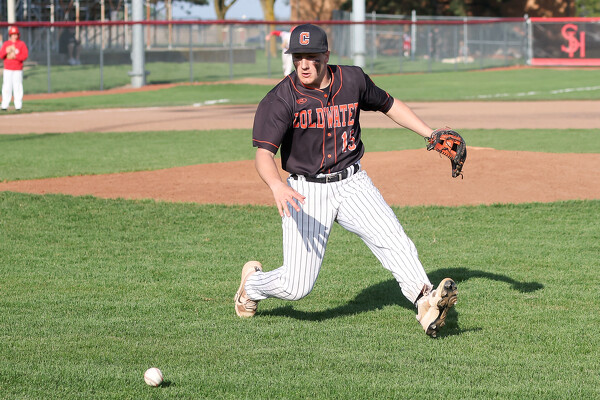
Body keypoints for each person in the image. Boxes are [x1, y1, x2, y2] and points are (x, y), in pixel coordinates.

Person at [235, 24, 458, 338]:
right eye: (298, 57)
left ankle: (425, 303)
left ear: (326, 55)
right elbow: (263, 155)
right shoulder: (280, 99)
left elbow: (389, 105)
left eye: (312, 57)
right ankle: (253, 285)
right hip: (305, 191)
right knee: (297, 285)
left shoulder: (352, 80)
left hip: (353, 182)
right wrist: (277, 185)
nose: (304, 65)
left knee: (393, 240)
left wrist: (430, 134)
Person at [0, 26, 29, 111]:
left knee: (17, 87)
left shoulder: (21, 44)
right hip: (8, 69)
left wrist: (16, 56)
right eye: (12, 34)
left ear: (18, 35)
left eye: (15, 34)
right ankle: (4, 105)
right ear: (10, 35)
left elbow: (25, 56)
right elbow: (1, 55)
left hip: (17, 69)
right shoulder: (6, 44)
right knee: (6, 86)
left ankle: (18, 105)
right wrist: (6, 51)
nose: (14, 36)